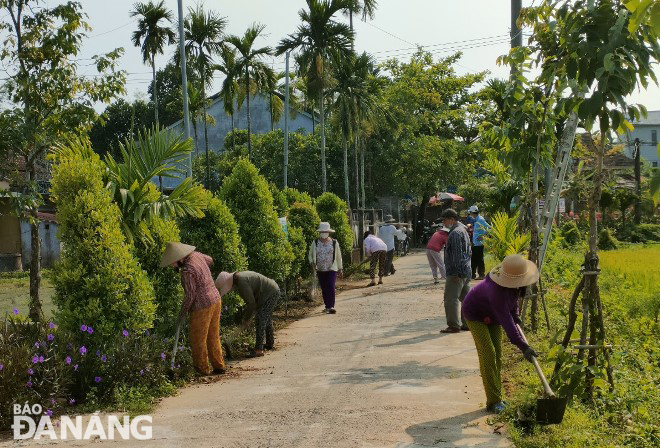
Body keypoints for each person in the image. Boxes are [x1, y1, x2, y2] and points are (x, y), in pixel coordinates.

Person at [462, 254, 540, 414]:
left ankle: (497, 394)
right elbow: (507, 323)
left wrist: (516, 314)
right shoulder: (497, 291)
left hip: (493, 315)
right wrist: (524, 346)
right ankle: (493, 401)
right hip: (474, 314)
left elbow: (512, 304)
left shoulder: (513, 287)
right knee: (488, 353)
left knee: (498, 353)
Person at [160, 242, 225, 375]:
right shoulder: (197, 255)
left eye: (172, 262)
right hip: (216, 299)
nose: (172, 266)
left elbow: (190, 296)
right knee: (213, 336)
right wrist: (203, 273)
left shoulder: (187, 271)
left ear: (179, 259)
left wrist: (182, 313)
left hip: (202, 306)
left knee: (197, 338)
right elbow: (210, 260)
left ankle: (202, 369)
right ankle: (218, 366)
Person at [215, 271, 280, 358]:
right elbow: (252, 302)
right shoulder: (240, 278)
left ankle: (258, 349)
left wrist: (246, 319)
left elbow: (251, 304)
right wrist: (247, 317)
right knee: (265, 317)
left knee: (260, 318)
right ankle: (269, 343)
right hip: (269, 292)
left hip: (271, 293)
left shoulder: (242, 283)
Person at [439, 208, 472, 334]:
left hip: (457, 272)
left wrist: (457, 273)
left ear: (452, 220)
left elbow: (458, 255)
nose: (444, 223)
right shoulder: (462, 230)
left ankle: (453, 325)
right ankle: (467, 323)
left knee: (450, 299)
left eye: (445, 220)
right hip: (465, 271)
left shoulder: (456, 233)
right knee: (466, 299)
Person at [308, 222, 343, 314]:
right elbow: (310, 254)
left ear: (328, 232)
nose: (324, 233)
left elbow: (338, 256)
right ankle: (327, 306)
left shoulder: (334, 242)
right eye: (322, 231)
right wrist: (312, 262)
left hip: (332, 268)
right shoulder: (315, 242)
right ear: (320, 232)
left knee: (330, 286)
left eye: (325, 231)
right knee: (324, 288)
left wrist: (340, 268)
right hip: (320, 268)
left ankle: (331, 306)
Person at [469, 205, 491, 279]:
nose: (470, 214)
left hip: (479, 243)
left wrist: (483, 236)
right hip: (475, 243)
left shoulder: (480, 219)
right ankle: (473, 274)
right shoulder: (476, 220)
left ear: (473, 213)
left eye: (470, 213)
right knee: (473, 259)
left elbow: (489, 228)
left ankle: (481, 275)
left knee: (479, 260)